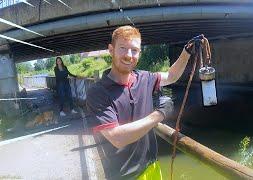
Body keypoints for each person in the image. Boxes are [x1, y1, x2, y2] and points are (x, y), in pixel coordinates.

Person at [86, 25, 207, 179]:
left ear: (140, 53)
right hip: (125, 176)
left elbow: (171, 76)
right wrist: (159, 114)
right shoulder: (98, 92)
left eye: (134, 50)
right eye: (123, 48)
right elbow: (117, 138)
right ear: (111, 50)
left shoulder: (145, 78)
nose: (129, 55)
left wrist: (186, 52)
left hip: (152, 166)